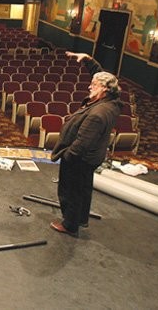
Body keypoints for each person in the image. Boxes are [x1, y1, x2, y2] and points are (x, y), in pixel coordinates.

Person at [49, 52, 123, 237]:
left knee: (70, 191)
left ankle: (70, 224)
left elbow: (82, 143)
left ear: (104, 89)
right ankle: (81, 218)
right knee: (83, 189)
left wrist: (67, 156)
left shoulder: (98, 114)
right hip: (92, 158)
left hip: (79, 159)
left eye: (95, 85)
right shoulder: (113, 101)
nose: (90, 86)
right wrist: (89, 61)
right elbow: (104, 77)